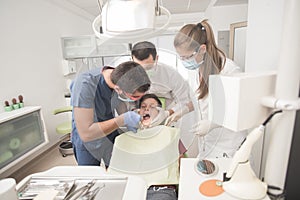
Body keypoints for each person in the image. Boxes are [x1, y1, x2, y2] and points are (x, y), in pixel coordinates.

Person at [173, 19, 247, 158]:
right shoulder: (196, 69)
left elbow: (239, 109)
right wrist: (181, 111)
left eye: (186, 57)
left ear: (202, 49)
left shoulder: (228, 71)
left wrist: (213, 123)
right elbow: (199, 101)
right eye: (180, 57)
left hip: (228, 145)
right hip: (208, 144)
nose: (184, 62)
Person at [70, 61, 151, 167]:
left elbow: (120, 104)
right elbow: (86, 133)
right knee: (91, 177)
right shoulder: (85, 85)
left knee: (116, 170)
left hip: (110, 134)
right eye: (134, 97)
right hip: (89, 140)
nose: (136, 100)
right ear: (118, 89)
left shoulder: (120, 76)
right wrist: (124, 119)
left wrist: (133, 118)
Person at [109, 93, 184, 200]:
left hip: (160, 191)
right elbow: (113, 173)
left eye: (152, 107)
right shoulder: (122, 140)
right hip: (131, 190)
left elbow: (183, 166)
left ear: (160, 112)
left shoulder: (171, 135)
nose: (147, 109)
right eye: (143, 107)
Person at [131, 41, 194, 126]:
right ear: (132, 60)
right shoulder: (126, 76)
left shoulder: (171, 74)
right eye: (139, 68)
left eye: (148, 67)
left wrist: (167, 113)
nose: (144, 72)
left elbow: (184, 101)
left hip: (168, 120)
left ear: (156, 58)